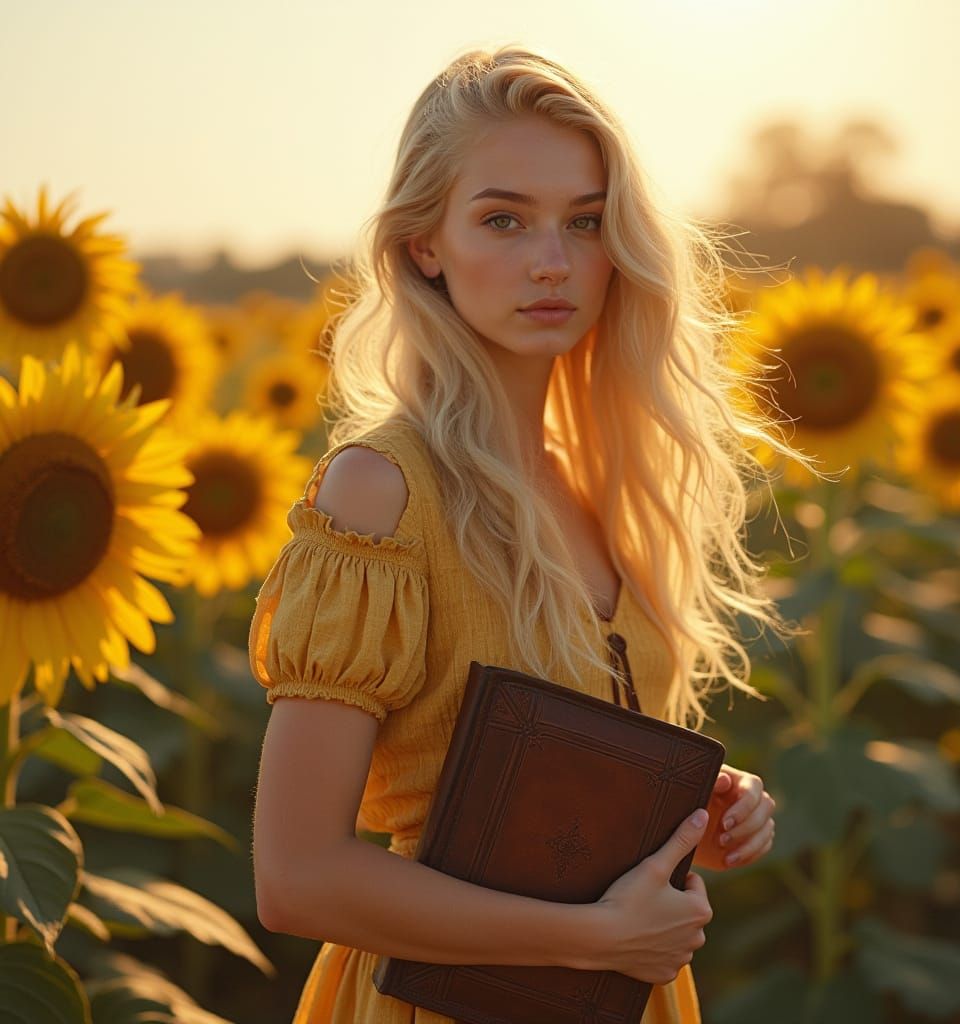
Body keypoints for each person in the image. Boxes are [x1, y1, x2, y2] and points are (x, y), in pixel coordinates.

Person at [248, 45, 816, 1024]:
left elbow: (553, 772)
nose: (552, 261)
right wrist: (591, 937)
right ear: (425, 243)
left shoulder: (608, 480)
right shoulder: (381, 491)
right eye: (503, 219)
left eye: (584, 223)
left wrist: (697, 810)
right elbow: (294, 876)